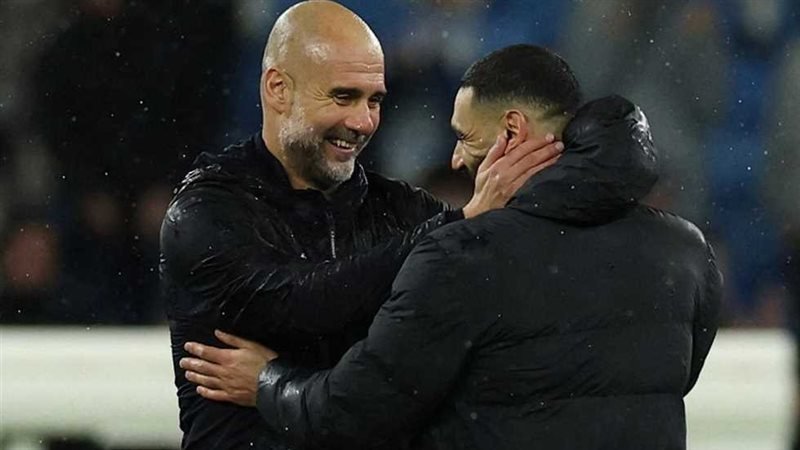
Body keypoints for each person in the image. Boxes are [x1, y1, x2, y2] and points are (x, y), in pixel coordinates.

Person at [180, 44, 723, 450]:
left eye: (464, 137)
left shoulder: (465, 256)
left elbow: (355, 411)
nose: (457, 159)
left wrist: (268, 382)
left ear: (512, 130)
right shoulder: (685, 251)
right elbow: (662, 382)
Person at [160, 2, 562, 448]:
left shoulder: (401, 211)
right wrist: (461, 224)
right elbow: (301, 304)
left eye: (374, 100)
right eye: (343, 97)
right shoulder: (207, 210)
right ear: (278, 89)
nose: (363, 121)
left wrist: (271, 380)